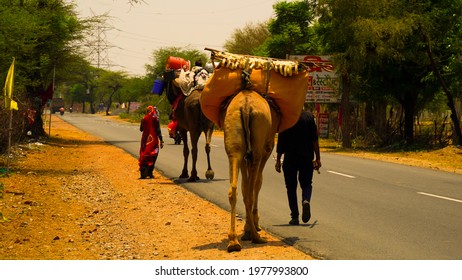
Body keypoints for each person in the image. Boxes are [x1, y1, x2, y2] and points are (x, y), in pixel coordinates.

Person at [275, 110, 321, 225]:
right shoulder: (309, 117)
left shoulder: (287, 116)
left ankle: (295, 216)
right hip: (306, 157)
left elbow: (281, 139)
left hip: (290, 158)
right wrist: (318, 158)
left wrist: (278, 160)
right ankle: (306, 200)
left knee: (291, 187)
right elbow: (315, 139)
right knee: (306, 184)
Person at [139, 105, 164, 179]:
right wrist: (161, 140)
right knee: (153, 154)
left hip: (144, 140)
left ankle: (143, 171)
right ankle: (150, 173)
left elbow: (141, 129)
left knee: (144, 154)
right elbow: (158, 130)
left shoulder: (143, 118)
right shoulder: (155, 119)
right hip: (153, 140)